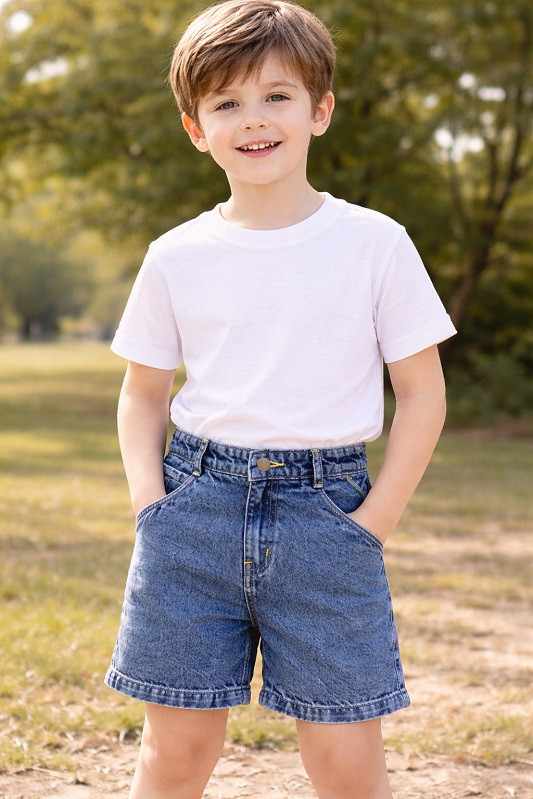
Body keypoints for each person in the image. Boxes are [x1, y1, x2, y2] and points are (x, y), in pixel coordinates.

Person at [105, 1, 456, 797]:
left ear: (319, 110)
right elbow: (142, 394)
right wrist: (150, 506)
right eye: (226, 103)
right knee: (177, 749)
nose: (252, 119)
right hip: (192, 512)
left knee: (344, 756)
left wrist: (372, 523)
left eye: (276, 96)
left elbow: (421, 392)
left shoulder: (374, 242)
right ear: (196, 127)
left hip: (327, 514)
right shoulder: (176, 255)